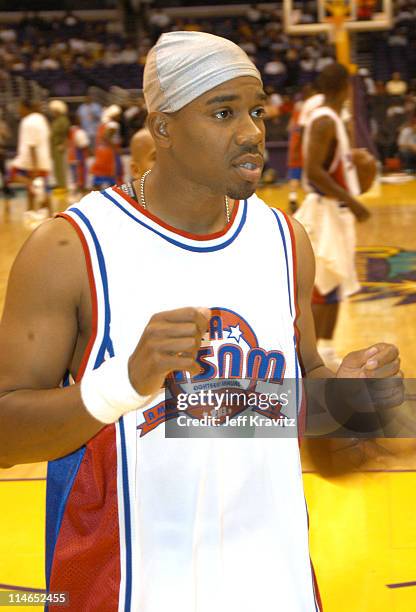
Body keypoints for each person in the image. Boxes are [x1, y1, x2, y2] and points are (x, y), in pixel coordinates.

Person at [0, 33, 401, 611]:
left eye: (257, 111)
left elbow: (303, 421)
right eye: (223, 113)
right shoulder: (70, 248)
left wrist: (354, 402)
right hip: (129, 589)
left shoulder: (284, 240)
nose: (253, 132)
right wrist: (123, 383)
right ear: (163, 128)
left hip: (275, 584)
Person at [294, 62, 371, 369]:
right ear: (345, 87)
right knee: (322, 287)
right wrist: (351, 200)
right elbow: (313, 170)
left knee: (334, 286)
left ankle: (325, 351)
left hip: (333, 209)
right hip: (326, 209)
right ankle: (310, 358)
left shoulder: (331, 117)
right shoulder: (325, 119)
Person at [8, 99, 51, 219]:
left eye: (19, 107)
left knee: (12, 174)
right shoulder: (41, 119)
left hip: (31, 161)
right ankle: (33, 210)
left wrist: (35, 166)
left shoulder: (28, 121)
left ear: (25, 108)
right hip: (42, 160)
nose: (18, 110)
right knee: (37, 188)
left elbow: (32, 145)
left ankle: (35, 188)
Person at [90, 104, 123, 189]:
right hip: (109, 152)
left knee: (100, 172)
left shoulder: (103, 124)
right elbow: (106, 136)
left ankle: (97, 189)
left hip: (101, 151)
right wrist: (114, 147)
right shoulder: (112, 124)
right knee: (113, 172)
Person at [48, 100, 70, 191]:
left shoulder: (63, 120)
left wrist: (63, 145)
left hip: (59, 146)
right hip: (53, 146)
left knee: (60, 167)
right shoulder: (56, 120)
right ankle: (59, 184)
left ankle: (63, 185)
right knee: (56, 167)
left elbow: (66, 134)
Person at [67, 114, 90, 194]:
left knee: (74, 177)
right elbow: (83, 144)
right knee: (80, 177)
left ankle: (76, 191)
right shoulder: (79, 132)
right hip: (79, 157)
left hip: (71, 157)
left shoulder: (70, 131)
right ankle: (80, 192)